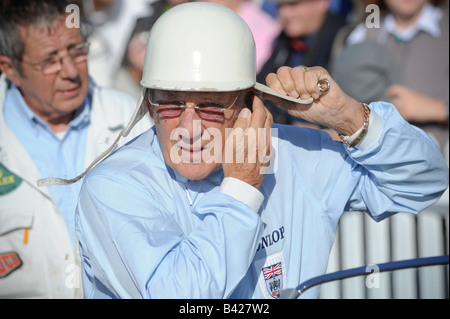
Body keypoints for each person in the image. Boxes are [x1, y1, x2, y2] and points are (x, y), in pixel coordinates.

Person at [74, 2, 448, 299]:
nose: (188, 129)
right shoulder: (114, 186)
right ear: (149, 102)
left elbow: (424, 183)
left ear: (249, 101)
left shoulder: (298, 158)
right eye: (169, 104)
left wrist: (349, 118)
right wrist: (241, 189)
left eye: (210, 106)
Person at [0, 0, 151, 298]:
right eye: (49, 60)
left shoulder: (134, 120)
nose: (70, 70)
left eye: (76, 50)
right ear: (10, 68)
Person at [332, 0, 449, 163]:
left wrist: (439, 110)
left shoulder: (445, 29)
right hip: (374, 166)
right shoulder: (363, 33)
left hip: (439, 166)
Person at [256, 0, 349, 126]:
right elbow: (261, 86)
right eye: (280, 6)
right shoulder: (283, 39)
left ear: (322, 3)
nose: (285, 13)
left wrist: (324, 132)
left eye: (293, 5)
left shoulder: (347, 41)